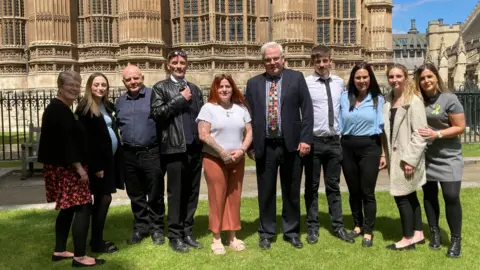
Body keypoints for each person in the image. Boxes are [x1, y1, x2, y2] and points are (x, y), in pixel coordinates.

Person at [245, 41, 314, 250]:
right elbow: (247, 116)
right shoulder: (253, 83)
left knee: (291, 190)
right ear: (263, 62)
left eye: (276, 58)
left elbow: (308, 110)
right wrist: (249, 144)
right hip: (264, 145)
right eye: (268, 59)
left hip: (291, 144)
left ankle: (291, 231)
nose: (273, 62)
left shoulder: (296, 78)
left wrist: (305, 139)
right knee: (265, 191)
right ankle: (266, 232)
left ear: (283, 59)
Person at [38, 71, 105, 267]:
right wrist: (79, 168)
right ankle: (80, 256)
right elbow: (66, 143)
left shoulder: (62, 108)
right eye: (70, 85)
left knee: (68, 209)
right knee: (84, 207)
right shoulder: (58, 110)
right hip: (67, 168)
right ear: (60, 86)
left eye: (77, 85)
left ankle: (59, 250)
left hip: (63, 166)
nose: (74, 89)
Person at [150, 50, 204, 253]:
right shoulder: (160, 88)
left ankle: (187, 232)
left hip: (195, 149)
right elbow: (157, 114)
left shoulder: (196, 89)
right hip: (174, 149)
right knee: (176, 195)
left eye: (182, 62)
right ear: (168, 65)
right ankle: (174, 235)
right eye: (175, 62)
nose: (179, 66)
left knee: (192, 193)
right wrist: (179, 99)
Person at [303, 45, 354, 244]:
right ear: (313, 63)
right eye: (318, 61)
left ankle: (338, 226)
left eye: (325, 61)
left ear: (330, 60)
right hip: (314, 141)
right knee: (312, 187)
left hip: (334, 141)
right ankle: (313, 227)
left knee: (333, 186)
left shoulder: (339, 82)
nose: (322, 65)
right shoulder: (306, 83)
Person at [197, 74, 253, 255]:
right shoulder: (208, 108)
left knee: (234, 198)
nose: (224, 89)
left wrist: (242, 150)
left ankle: (232, 237)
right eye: (220, 86)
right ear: (215, 88)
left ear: (233, 88)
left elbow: (249, 132)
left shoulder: (241, 108)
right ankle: (216, 238)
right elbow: (203, 134)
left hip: (237, 158)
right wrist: (222, 152)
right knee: (217, 197)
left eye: (227, 86)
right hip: (215, 158)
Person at [415, 63, 465, 258]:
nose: (426, 81)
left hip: (448, 156)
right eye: (422, 78)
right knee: (429, 195)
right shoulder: (418, 100)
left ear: (436, 78)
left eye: (429, 77)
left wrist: (437, 134)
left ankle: (455, 240)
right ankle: (434, 234)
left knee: (451, 196)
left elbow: (460, 126)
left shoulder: (449, 99)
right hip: (426, 156)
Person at [116, 65, 165, 246]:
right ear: (124, 82)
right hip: (129, 154)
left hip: (151, 152)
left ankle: (157, 229)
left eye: (135, 78)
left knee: (155, 194)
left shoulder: (154, 96)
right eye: (128, 80)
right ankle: (140, 228)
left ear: (142, 78)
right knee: (135, 195)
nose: (132, 82)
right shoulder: (120, 101)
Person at [76, 72, 124, 254]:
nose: (100, 88)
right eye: (96, 84)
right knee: (103, 199)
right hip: (97, 165)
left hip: (109, 161)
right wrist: (95, 167)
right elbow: (85, 141)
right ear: (89, 86)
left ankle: (97, 239)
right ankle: (96, 242)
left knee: (104, 199)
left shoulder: (107, 106)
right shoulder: (84, 109)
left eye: (103, 85)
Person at [340, 62, 386, 247]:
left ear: (370, 78)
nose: (361, 81)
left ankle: (368, 230)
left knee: (367, 192)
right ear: (353, 79)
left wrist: (383, 154)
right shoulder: (344, 97)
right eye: (358, 77)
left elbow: (383, 129)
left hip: (370, 146)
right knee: (354, 191)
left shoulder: (378, 99)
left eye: (365, 77)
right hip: (347, 146)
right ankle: (357, 225)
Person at [382, 64, 427, 251]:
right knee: (410, 196)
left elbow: (420, 133)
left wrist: (410, 160)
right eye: (391, 76)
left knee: (402, 198)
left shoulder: (414, 101)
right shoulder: (388, 100)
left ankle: (407, 238)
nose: (395, 80)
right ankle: (418, 233)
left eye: (398, 76)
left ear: (406, 77)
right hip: (394, 155)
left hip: (406, 158)